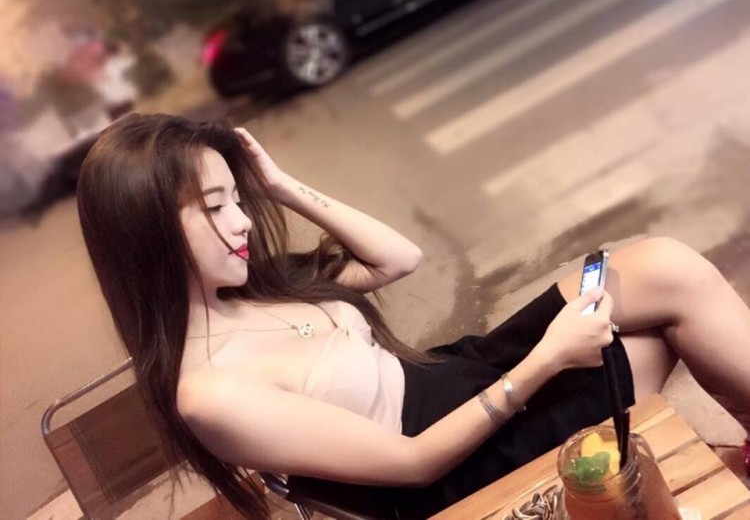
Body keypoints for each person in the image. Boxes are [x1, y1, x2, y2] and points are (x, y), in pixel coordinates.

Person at [76, 113, 750, 519]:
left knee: (662, 266)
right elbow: (413, 464)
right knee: (653, 335)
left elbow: (398, 258)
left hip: (459, 375)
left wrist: (279, 185)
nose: (243, 220)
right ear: (148, 233)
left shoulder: (253, 286)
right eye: (215, 206)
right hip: (459, 464)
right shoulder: (210, 394)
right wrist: (548, 357)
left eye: (237, 199)